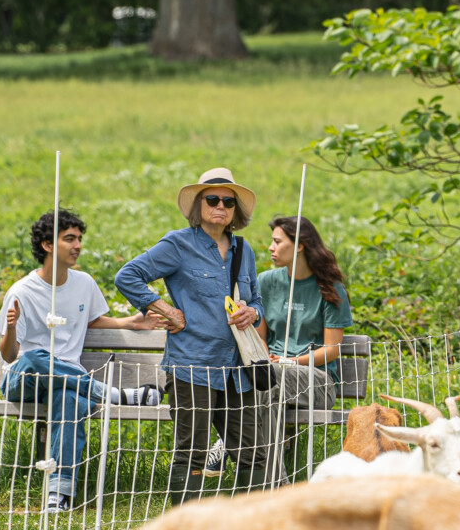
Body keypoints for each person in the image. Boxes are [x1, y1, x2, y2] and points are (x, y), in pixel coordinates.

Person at [114, 167, 272, 503]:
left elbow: (256, 299)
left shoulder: (244, 251)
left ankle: (254, 528)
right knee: (193, 451)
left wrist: (253, 312)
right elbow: (128, 276)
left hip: (237, 368)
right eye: (212, 199)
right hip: (192, 364)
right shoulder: (178, 244)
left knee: (253, 451)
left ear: (235, 211)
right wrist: (166, 311)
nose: (220, 206)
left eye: (228, 202)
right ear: (198, 205)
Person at [0, 210, 161, 513]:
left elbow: (93, 320)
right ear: (47, 245)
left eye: (79, 239)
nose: (77, 245)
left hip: (67, 382)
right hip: (23, 380)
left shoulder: (84, 284)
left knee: (69, 398)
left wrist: (132, 323)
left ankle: (59, 494)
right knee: (35, 357)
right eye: (69, 239)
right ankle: (109, 394)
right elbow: (9, 356)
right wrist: (11, 326)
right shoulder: (21, 291)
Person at [256, 214, 354, 481]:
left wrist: (288, 363)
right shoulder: (266, 281)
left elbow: (332, 350)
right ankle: (277, 484)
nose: (271, 248)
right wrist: (267, 358)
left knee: (266, 381)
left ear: (299, 245)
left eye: (277, 241)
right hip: (271, 376)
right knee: (264, 387)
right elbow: (259, 337)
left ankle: (268, 481)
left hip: (318, 381)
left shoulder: (329, 288)